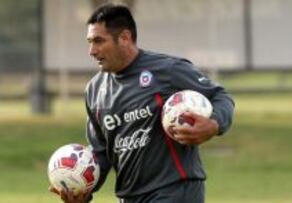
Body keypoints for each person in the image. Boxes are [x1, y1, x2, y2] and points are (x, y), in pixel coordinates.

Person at [50, 3, 234, 203]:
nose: (91, 51)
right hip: (129, 197)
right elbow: (101, 154)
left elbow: (220, 96)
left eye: (98, 41)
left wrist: (214, 124)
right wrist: (83, 190)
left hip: (174, 190)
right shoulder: (95, 91)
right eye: (90, 42)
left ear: (125, 38)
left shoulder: (167, 70)